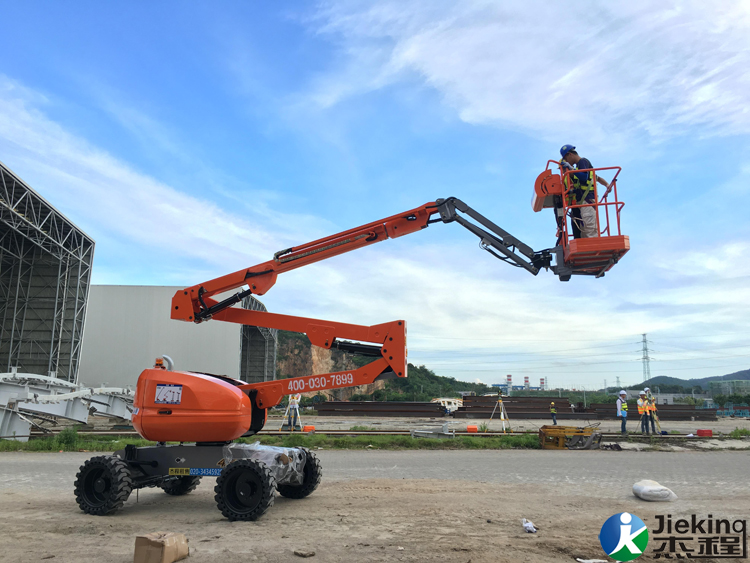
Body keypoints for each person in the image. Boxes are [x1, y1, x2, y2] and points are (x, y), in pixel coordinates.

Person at [559, 145, 612, 239]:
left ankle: (594, 247)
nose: (567, 162)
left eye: (566, 159)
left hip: (587, 200)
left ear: (570, 154)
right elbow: (596, 177)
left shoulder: (582, 162)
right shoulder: (578, 168)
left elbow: (584, 177)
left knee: (590, 228)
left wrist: (571, 169)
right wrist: (607, 185)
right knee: (585, 230)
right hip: (582, 202)